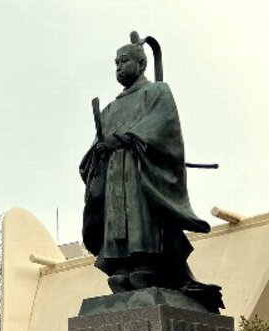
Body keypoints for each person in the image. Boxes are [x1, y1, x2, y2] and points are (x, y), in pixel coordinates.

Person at [79, 38, 222, 311]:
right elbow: (95, 147)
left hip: (140, 170)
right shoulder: (109, 108)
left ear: (142, 63)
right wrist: (98, 151)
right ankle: (119, 265)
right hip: (113, 175)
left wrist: (124, 139)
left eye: (124, 61)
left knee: (141, 216)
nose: (119, 68)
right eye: (116, 63)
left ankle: (145, 263)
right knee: (115, 219)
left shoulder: (157, 92)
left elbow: (162, 127)